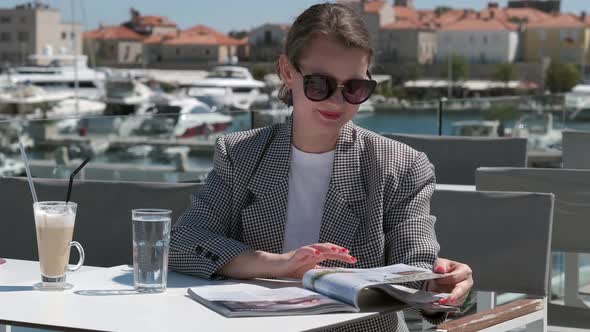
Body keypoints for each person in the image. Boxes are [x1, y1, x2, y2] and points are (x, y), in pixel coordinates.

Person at [170, 3, 473, 331]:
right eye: (319, 84)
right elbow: (183, 241)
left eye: (355, 88)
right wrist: (279, 265)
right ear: (287, 71)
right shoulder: (239, 154)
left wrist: (436, 284)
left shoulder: (401, 166)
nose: (337, 102)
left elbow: (415, 269)